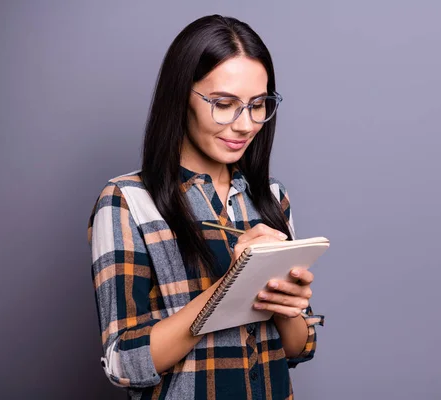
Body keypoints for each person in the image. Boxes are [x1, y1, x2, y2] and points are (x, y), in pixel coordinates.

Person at [87, 14, 324, 400]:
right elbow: (123, 364)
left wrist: (287, 308)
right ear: (182, 98)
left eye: (258, 104)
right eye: (224, 103)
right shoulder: (128, 201)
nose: (245, 124)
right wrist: (232, 286)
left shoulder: (270, 197)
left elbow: (297, 349)